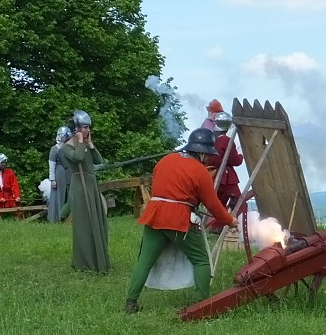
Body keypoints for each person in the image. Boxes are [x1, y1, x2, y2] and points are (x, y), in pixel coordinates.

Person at [124, 128, 238, 314]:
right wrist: (229, 220)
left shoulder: (165, 160)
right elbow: (213, 204)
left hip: (154, 214)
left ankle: (130, 303)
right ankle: (203, 306)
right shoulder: (200, 171)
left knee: (144, 261)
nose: (208, 159)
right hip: (178, 218)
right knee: (201, 260)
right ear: (200, 152)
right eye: (207, 155)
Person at [59, 110, 111, 272]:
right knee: (84, 225)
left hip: (91, 184)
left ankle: (100, 260)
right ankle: (84, 262)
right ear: (76, 129)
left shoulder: (85, 145)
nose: (88, 131)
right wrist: (81, 143)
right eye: (84, 128)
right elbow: (78, 158)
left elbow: (99, 162)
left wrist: (90, 145)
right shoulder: (66, 148)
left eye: (88, 128)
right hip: (79, 187)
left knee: (98, 221)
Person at [204, 111, 243, 232]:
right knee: (239, 202)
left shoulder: (211, 138)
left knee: (218, 204)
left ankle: (215, 226)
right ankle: (242, 228)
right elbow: (234, 160)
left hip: (214, 176)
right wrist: (241, 156)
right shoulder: (226, 140)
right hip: (225, 177)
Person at [47, 125, 72, 223]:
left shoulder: (68, 147)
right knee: (59, 195)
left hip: (68, 172)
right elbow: (51, 165)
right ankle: (57, 217)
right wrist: (52, 179)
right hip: (59, 174)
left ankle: (67, 216)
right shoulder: (54, 149)